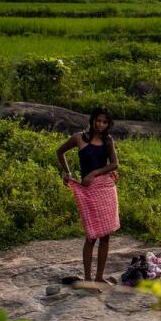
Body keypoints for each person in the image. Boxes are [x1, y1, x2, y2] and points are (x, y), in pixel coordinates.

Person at [56, 108, 120, 284]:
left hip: (105, 190)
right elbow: (60, 152)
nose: (101, 124)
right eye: (98, 120)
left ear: (108, 124)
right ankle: (87, 278)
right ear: (92, 120)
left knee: (106, 235)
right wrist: (67, 172)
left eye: (105, 122)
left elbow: (114, 164)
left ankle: (99, 277)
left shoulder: (108, 141)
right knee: (91, 235)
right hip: (88, 192)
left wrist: (94, 173)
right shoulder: (79, 138)